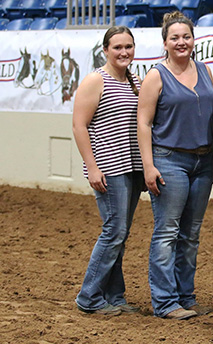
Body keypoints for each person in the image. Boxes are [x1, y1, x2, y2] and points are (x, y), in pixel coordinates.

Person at [137, 11, 213, 320]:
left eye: (186, 37)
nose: (181, 42)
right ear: (165, 43)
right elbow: (143, 123)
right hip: (169, 160)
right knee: (167, 232)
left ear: (194, 40)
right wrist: (148, 166)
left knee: (191, 234)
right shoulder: (156, 75)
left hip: (204, 161)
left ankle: (186, 297)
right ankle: (165, 302)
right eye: (175, 38)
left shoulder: (205, 70)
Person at [73, 26, 144, 316]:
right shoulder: (95, 80)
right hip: (108, 167)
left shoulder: (135, 81)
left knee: (120, 233)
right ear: (105, 50)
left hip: (132, 167)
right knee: (114, 231)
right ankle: (89, 296)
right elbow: (79, 125)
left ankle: (115, 296)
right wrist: (91, 166)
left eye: (128, 46)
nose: (124, 52)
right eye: (117, 47)